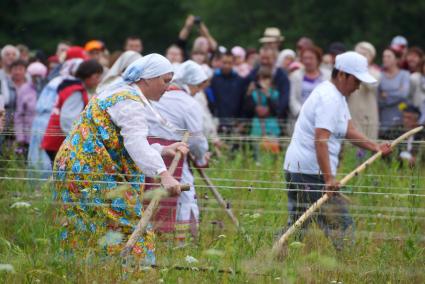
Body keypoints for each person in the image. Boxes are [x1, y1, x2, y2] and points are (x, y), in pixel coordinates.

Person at [53, 54, 188, 267]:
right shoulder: (128, 100)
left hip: (77, 168)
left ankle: (88, 272)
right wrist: (164, 174)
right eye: (165, 80)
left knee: (85, 225)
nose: (168, 87)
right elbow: (135, 143)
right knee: (129, 227)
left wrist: (161, 149)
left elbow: (118, 142)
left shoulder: (118, 93)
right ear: (147, 79)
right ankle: (135, 273)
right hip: (89, 171)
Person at [282, 51, 392, 250]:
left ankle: (274, 258)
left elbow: (349, 130)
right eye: (356, 80)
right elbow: (321, 141)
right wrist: (329, 179)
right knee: (342, 226)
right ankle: (349, 265)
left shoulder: (336, 95)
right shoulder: (330, 99)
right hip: (309, 173)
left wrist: (375, 147)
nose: (358, 86)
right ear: (342, 74)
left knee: (298, 226)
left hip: (301, 170)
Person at [147, 60, 209, 243]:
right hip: (174, 155)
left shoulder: (152, 97)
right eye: (198, 87)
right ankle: (181, 242)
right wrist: (201, 157)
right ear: (191, 83)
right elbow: (197, 139)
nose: (198, 91)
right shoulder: (189, 104)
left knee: (147, 195)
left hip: (148, 153)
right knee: (184, 196)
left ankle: (151, 237)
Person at [28, 49, 86, 180]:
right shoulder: (70, 84)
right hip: (54, 125)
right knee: (48, 170)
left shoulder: (56, 81)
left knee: (39, 164)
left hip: (42, 124)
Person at [41, 59, 104, 162]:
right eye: (97, 77)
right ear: (88, 75)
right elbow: (68, 119)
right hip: (59, 141)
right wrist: (77, 141)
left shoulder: (71, 86)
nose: (99, 80)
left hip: (56, 140)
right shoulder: (76, 92)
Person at [244, 66, 281, 159]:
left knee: (273, 156)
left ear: (271, 79)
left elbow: (276, 110)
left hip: (272, 128)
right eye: (262, 78)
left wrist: (267, 95)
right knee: (258, 157)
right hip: (257, 129)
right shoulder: (254, 93)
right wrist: (248, 93)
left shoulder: (274, 93)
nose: (264, 81)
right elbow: (248, 110)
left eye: (266, 78)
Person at [347, 42, 381, 140]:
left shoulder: (376, 73)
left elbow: (371, 84)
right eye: (358, 54)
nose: (361, 57)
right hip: (352, 112)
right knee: (351, 143)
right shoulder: (349, 71)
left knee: (369, 140)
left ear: (371, 57)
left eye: (364, 55)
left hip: (369, 113)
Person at [14, 62, 48, 156]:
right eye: (34, 76)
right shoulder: (24, 89)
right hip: (28, 135)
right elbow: (19, 115)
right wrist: (20, 137)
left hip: (44, 135)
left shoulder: (47, 89)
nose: (37, 78)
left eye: (39, 76)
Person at [209, 51, 247, 133]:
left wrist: (241, 121)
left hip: (235, 122)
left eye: (229, 63)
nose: (226, 65)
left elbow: (243, 102)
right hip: (217, 122)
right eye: (224, 62)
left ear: (233, 63)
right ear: (220, 62)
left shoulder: (239, 80)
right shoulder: (214, 80)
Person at [248, 47, 291, 120]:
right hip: (255, 120)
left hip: (276, 120)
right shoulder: (253, 74)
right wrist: (255, 108)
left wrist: (271, 109)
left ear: (274, 59)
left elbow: (284, 98)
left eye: (268, 58)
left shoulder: (282, 76)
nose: (265, 61)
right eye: (262, 58)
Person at [289, 45, 331, 118]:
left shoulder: (328, 75)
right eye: (305, 58)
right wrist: (301, 113)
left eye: (311, 58)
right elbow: (292, 98)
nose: (308, 61)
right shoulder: (295, 76)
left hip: (323, 117)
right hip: (301, 117)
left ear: (318, 59)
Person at [378, 48, 410, 134]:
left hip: (401, 118)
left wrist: (386, 95)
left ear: (396, 59)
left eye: (389, 56)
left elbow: (404, 94)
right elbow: (378, 99)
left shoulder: (405, 74)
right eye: (384, 56)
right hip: (383, 120)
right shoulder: (379, 76)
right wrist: (397, 91)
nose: (385, 59)